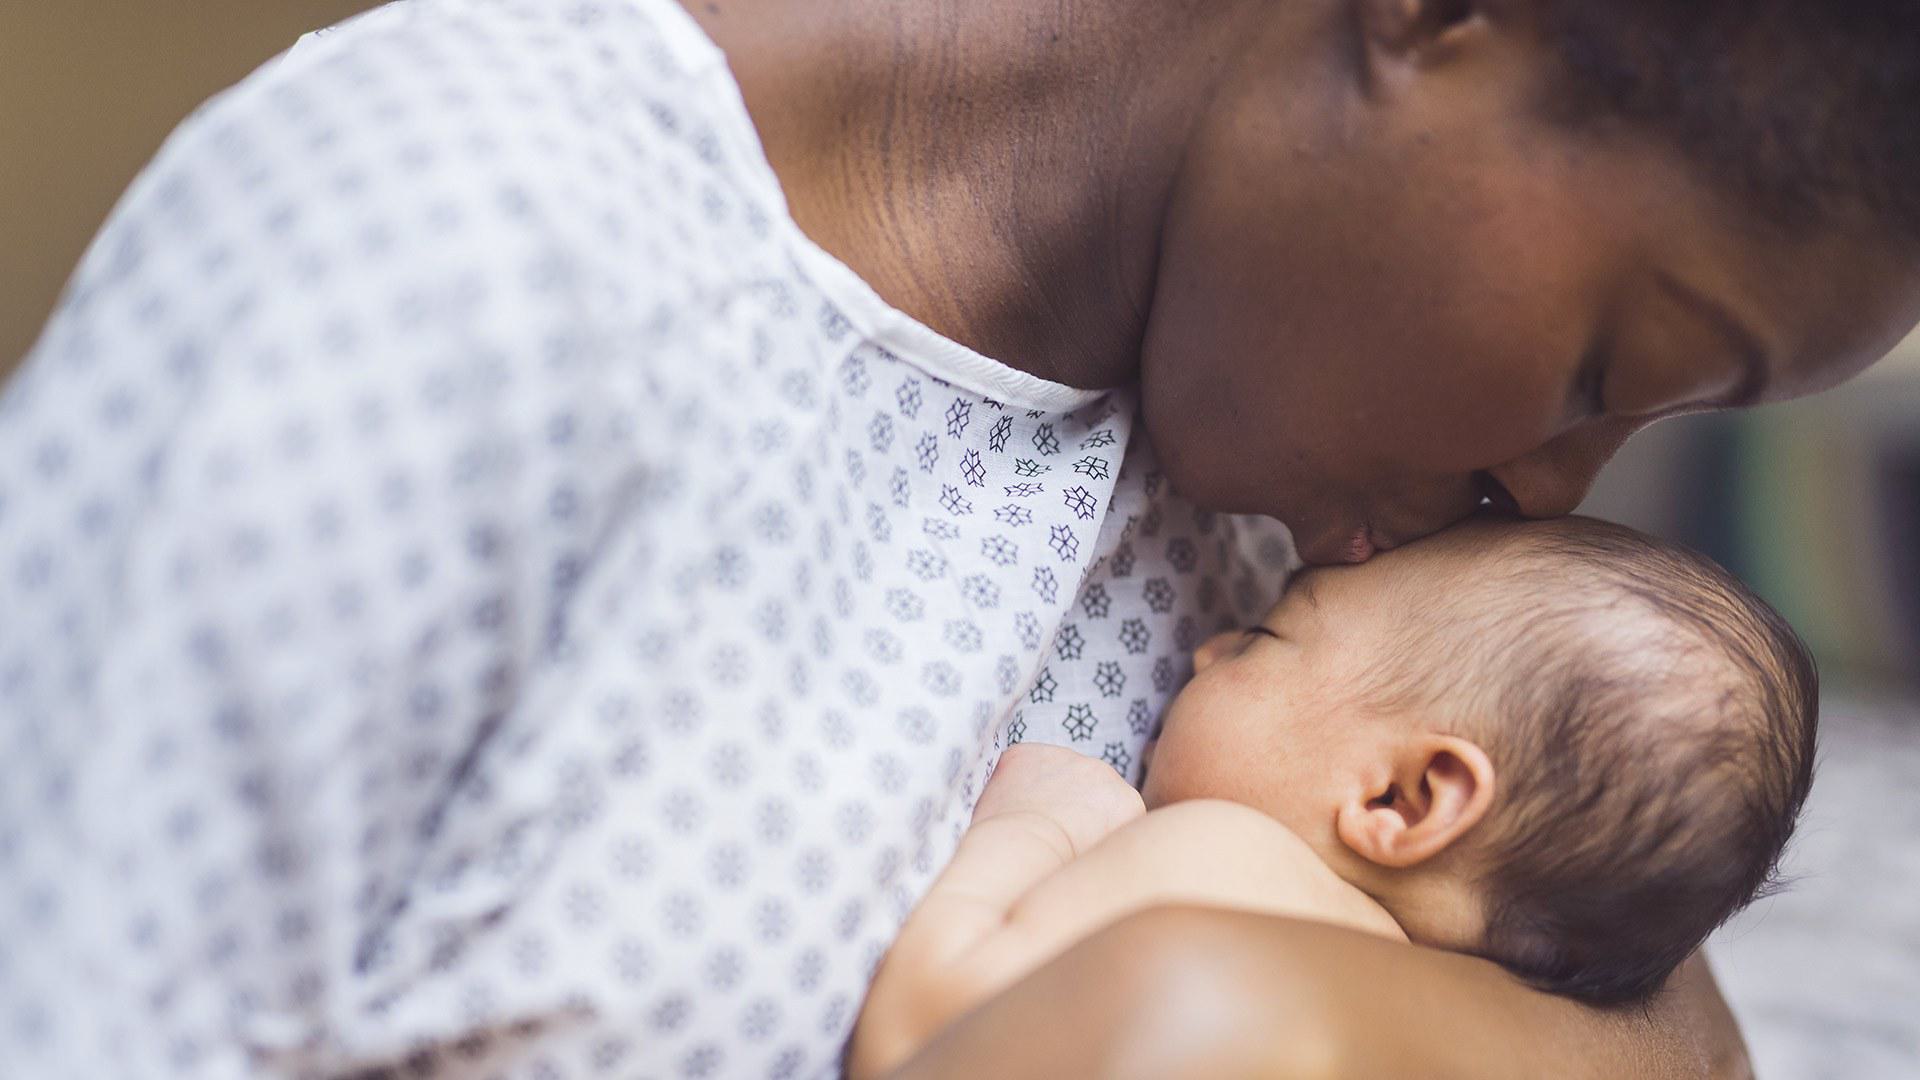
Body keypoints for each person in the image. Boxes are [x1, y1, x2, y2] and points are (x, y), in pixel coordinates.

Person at [0, 0, 1915, 1075]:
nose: (1552, 494)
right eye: (1610, 362)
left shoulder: (1291, 492)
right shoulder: (456, 257)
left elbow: (1674, 1032)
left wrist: (1254, 1017)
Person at [850, 515, 1816, 1077]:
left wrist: (1042, 820)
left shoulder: (1225, 863)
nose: (1209, 646)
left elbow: (920, 1030)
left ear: (1402, 800)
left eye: (1269, 636)